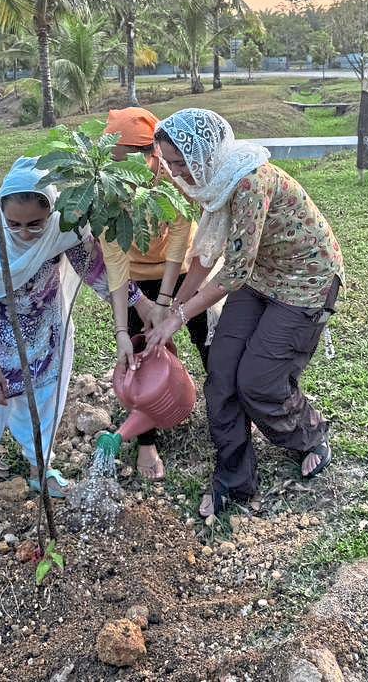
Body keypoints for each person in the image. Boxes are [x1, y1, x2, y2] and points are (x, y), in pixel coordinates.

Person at [0, 156, 147, 532]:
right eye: (15, 224)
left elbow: (95, 268)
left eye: (35, 223)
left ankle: (41, 466)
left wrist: (139, 302)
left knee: (41, 404)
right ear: (1, 214)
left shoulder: (64, 222)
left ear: (51, 210)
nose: (24, 232)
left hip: (39, 331)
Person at [144, 109, 345, 517]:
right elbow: (205, 257)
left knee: (258, 381)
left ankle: (310, 434)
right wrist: (170, 308)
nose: (178, 172)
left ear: (207, 152)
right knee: (221, 370)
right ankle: (234, 477)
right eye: (171, 163)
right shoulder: (213, 184)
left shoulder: (250, 180)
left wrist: (178, 319)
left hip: (305, 280)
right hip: (262, 275)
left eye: (183, 162)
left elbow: (232, 274)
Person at [100, 107, 208, 482]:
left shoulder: (173, 178)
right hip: (134, 274)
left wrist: (165, 304)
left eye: (126, 165)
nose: (119, 175)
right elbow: (113, 263)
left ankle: (227, 413)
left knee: (207, 340)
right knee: (136, 354)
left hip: (180, 269)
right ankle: (146, 443)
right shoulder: (104, 194)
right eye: (112, 165)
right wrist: (120, 333)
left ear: (153, 155)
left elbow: (179, 238)